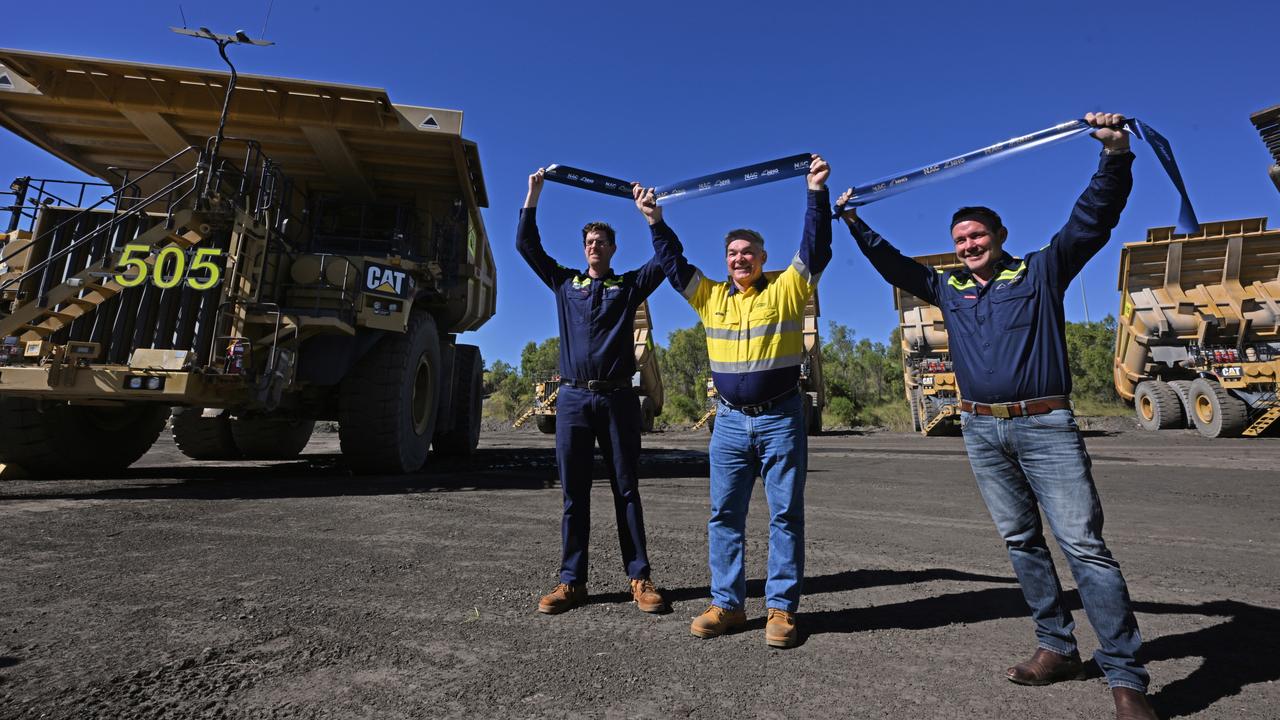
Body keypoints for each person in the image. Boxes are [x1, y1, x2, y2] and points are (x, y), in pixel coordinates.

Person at [837, 113, 1158, 720]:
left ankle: (1125, 678)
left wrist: (1115, 156)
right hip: (980, 428)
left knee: (1084, 546)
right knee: (1020, 540)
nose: (967, 245)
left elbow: (1092, 219)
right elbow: (896, 266)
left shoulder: (1040, 272)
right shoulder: (949, 290)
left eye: (976, 236)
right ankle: (1057, 647)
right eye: (959, 239)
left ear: (1000, 235)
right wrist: (854, 221)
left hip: (1045, 426)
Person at [633, 154, 832, 649]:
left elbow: (817, 246)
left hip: (781, 420)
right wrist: (656, 221)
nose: (739, 259)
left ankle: (781, 611)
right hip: (728, 424)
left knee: (785, 515)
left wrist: (815, 192)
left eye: (748, 252)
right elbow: (674, 264)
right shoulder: (711, 296)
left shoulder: (788, 288)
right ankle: (729, 604)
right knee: (724, 515)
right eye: (733, 254)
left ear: (763, 258)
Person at [518, 168, 667, 616]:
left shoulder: (628, 287)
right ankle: (571, 582)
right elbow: (527, 247)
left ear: (613, 249)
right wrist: (533, 194)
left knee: (627, 490)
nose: (594, 247)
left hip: (619, 399)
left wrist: (653, 219)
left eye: (602, 242)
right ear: (583, 249)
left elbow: (667, 259)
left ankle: (639, 578)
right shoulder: (566, 284)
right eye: (589, 242)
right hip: (573, 400)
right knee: (573, 493)